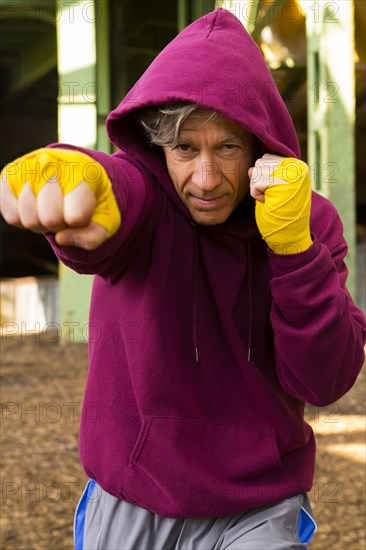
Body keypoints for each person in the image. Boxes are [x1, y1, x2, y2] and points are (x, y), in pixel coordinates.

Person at [1, 7, 365, 550]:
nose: (206, 178)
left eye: (227, 147)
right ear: (158, 148)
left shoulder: (306, 221)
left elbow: (325, 379)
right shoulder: (144, 200)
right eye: (184, 149)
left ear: (258, 147)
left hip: (259, 505)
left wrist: (293, 251)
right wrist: (87, 179)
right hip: (133, 495)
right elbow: (120, 192)